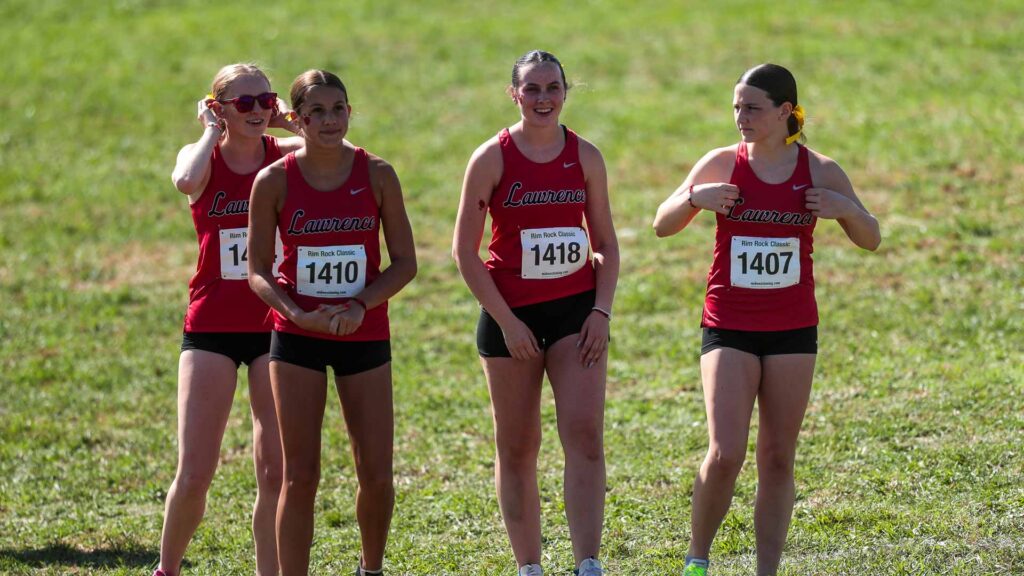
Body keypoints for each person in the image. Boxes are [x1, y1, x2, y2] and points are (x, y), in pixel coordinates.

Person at [653, 63, 881, 576]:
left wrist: (844, 208)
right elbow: (660, 224)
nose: (740, 117)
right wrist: (695, 198)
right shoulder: (721, 163)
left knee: (778, 457)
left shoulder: (820, 170)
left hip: (792, 331)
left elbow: (872, 237)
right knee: (726, 451)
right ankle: (697, 559)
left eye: (751, 107)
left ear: (784, 112)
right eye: (736, 106)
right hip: (729, 325)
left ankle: (767, 570)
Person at [452, 50, 619, 576]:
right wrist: (507, 322)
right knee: (518, 445)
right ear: (514, 94)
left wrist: (601, 312)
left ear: (566, 91)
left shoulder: (586, 156)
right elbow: (464, 252)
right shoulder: (491, 158)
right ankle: (529, 565)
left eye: (553, 88)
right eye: (532, 89)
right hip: (511, 319)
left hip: (575, 313)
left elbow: (607, 245)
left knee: (585, 433)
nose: (543, 99)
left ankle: (588, 562)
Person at [247, 69, 416, 576]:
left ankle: (371, 569)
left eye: (338, 108)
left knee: (377, 474)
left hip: (363, 332)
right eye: (316, 111)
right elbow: (256, 271)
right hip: (297, 336)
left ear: (350, 112)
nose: (329, 120)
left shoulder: (378, 174)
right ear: (296, 119)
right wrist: (296, 313)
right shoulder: (272, 180)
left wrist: (360, 304)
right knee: (300, 475)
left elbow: (405, 262)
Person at [157, 63, 304, 576]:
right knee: (195, 472)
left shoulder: (283, 159)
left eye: (265, 100)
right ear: (219, 108)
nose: (259, 110)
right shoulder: (202, 158)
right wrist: (209, 132)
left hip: (274, 325)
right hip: (211, 327)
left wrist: (292, 123)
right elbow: (184, 181)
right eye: (245, 103)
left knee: (275, 472)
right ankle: (166, 569)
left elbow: (336, 149)